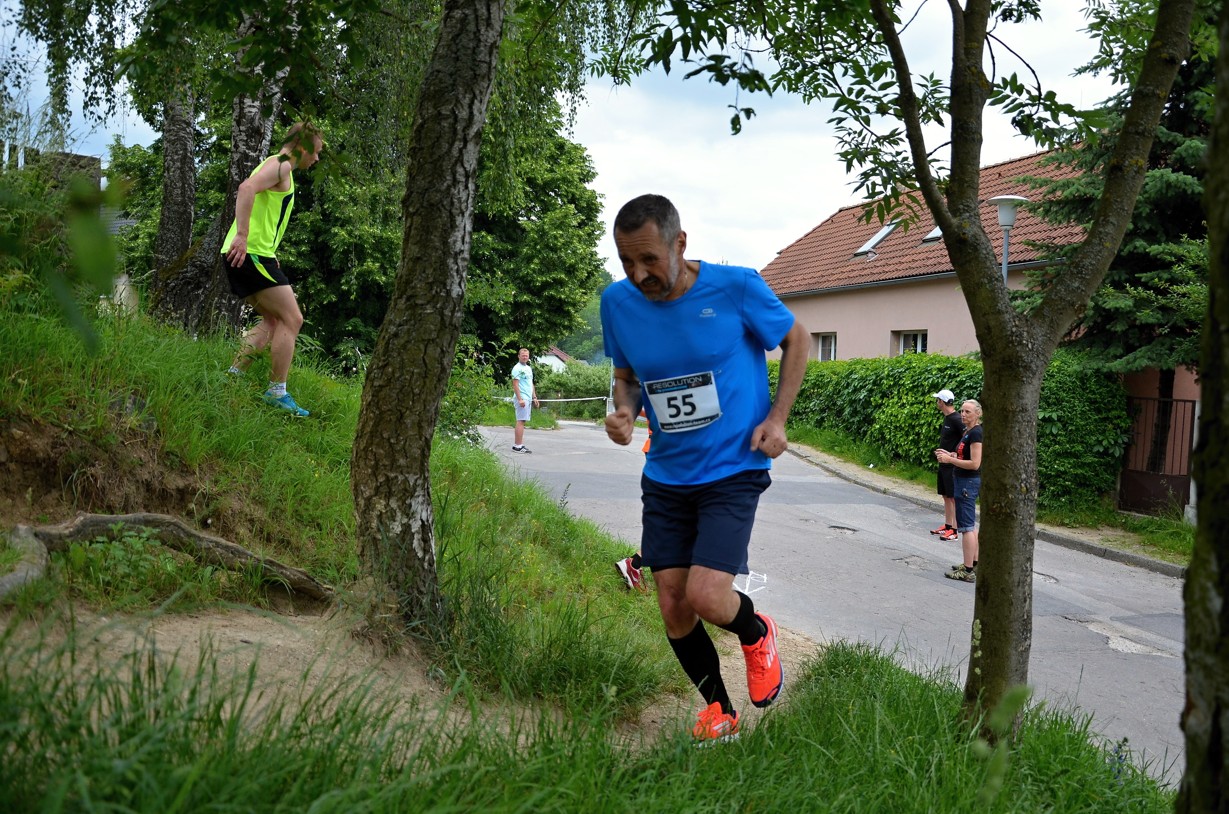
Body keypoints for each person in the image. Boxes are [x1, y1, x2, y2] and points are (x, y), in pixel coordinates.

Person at [600, 194, 808, 744]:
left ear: (680, 243)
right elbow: (626, 376)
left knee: (708, 596)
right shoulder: (617, 303)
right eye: (626, 262)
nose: (638, 274)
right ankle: (720, 709)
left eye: (649, 259)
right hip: (666, 475)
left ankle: (755, 630)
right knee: (673, 603)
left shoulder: (735, 287)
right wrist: (624, 411)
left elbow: (797, 339)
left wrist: (778, 418)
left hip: (733, 467)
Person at [222, 122, 323, 417]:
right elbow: (246, 188)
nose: (316, 159)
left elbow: (264, 214)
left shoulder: (279, 167)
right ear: (302, 146)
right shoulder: (281, 165)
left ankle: (233, 376)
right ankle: (276, 392)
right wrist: (242, 236)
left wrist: (268, 251)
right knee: (293, 318)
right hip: (249, 253)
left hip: (256, 254)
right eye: (316, 152)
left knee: (273, 321)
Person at [936, 400, 983, 582]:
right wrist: (951, 455)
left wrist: (950, 461)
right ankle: (973, 563)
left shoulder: (976, 433)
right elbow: (965, 456)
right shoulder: (968, 432)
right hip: (963, 481)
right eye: (962, 411)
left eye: (968, 412)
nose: (963, 414)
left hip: (967, 483)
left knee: (966, 527)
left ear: (978, 414)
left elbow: (975, 463)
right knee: (969, 525)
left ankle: (968, 570)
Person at [930, 389, 964, 541]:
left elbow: (966, 438)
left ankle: (954, 530)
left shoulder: (956, 419)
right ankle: (948, 525)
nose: (937, 402)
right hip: (943, 463)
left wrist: (954, 454)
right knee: (945, 495)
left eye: (938, 400)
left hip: (951, 465)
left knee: (953, 497)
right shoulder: (947, 418)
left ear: (942, 402)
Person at [510, 348, 539, 453]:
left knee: (523, 421)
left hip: (528, 398)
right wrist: (520, 399)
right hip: (522, 398)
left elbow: (531, 383)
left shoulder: (528, 368)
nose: (525, 357)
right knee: (520, 421)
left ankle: (519, 444)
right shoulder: (517, 368)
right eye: (523, 355)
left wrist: (534, 397)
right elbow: (515, 385)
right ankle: (518, 446)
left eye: (526, 355)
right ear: (519, 356)